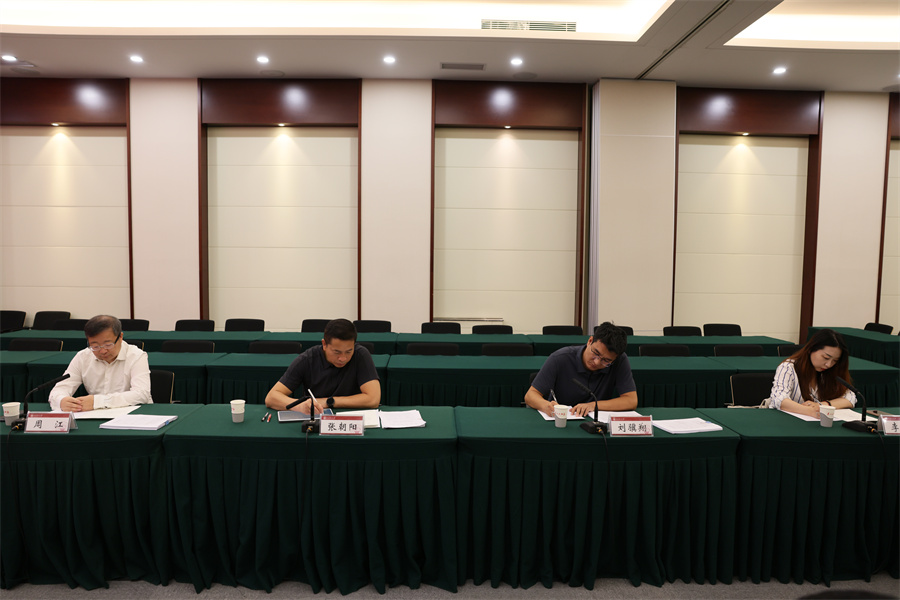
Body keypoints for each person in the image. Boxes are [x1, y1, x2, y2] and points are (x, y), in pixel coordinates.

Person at [265, 318, 381, 414]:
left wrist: (329, 402)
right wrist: (299, 406)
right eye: (337, 352)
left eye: (348, 351)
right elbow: (271, 398)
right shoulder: (307, 359)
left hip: (353, 419)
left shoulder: (360, 355)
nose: (343, 358)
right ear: (324, 344)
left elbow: (373, 399)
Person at [525, 321, 637, 417]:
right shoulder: (560, 358)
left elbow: (631, 400)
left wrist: (593, 405)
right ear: (590, 341)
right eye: (596, 353)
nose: (597, 362)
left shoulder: (619, 360)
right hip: (562, 420)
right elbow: (530, 395)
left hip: (595, 422)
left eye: (606, 360)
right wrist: (546, 406)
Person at [48, 315, 152, 412]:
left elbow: (141, 394)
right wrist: (61, 401)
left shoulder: (136, 356)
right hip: (96, 415)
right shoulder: (83, 357)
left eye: (108, 345)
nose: (102, 351)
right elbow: (60, 389)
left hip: (134, 415)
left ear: (120, 337)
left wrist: (97, 402)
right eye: (95, 346)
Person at [768, 328, 856, 417]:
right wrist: (810, 411)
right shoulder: (788, 368)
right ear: (811, 349)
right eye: (826, 358)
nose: (829, 364)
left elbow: (850, 398)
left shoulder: (832, 371)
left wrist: (822, 405)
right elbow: (779, 399)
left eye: (835, 360)